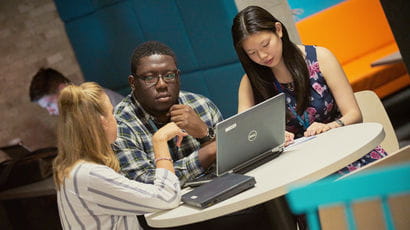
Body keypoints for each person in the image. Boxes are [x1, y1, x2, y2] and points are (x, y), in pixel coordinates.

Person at [231, 6, 387, 175]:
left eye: (266, 45)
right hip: (301, 168)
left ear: (278, 30)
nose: (262, 56)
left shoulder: (320, 58)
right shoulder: (250, 82)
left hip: (347, 151)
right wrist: (270, 139)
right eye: (252, 53)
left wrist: (331, 126)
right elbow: (245, 136)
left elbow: (354, 114)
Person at [53, 82, 183, 230]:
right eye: (112, 113)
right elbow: (168, 197)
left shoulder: (74, 169)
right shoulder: (90, 175)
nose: (117, 120)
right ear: (103, 123)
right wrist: (160, 140)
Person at [113, 41, 223, 185]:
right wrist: (205, 154)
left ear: (178, 76)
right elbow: (146, 183)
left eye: (169, 75)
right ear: (133, 83)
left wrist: (205, 133)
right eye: (149, 78)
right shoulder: (120, 125)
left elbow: (234, 157)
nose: (162, 84)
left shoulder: (201, 104)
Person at [29, 68, 124, 115]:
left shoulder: (92, 101)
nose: (50, 112)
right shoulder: (75, 110)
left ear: (63, 89)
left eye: (49, 104)